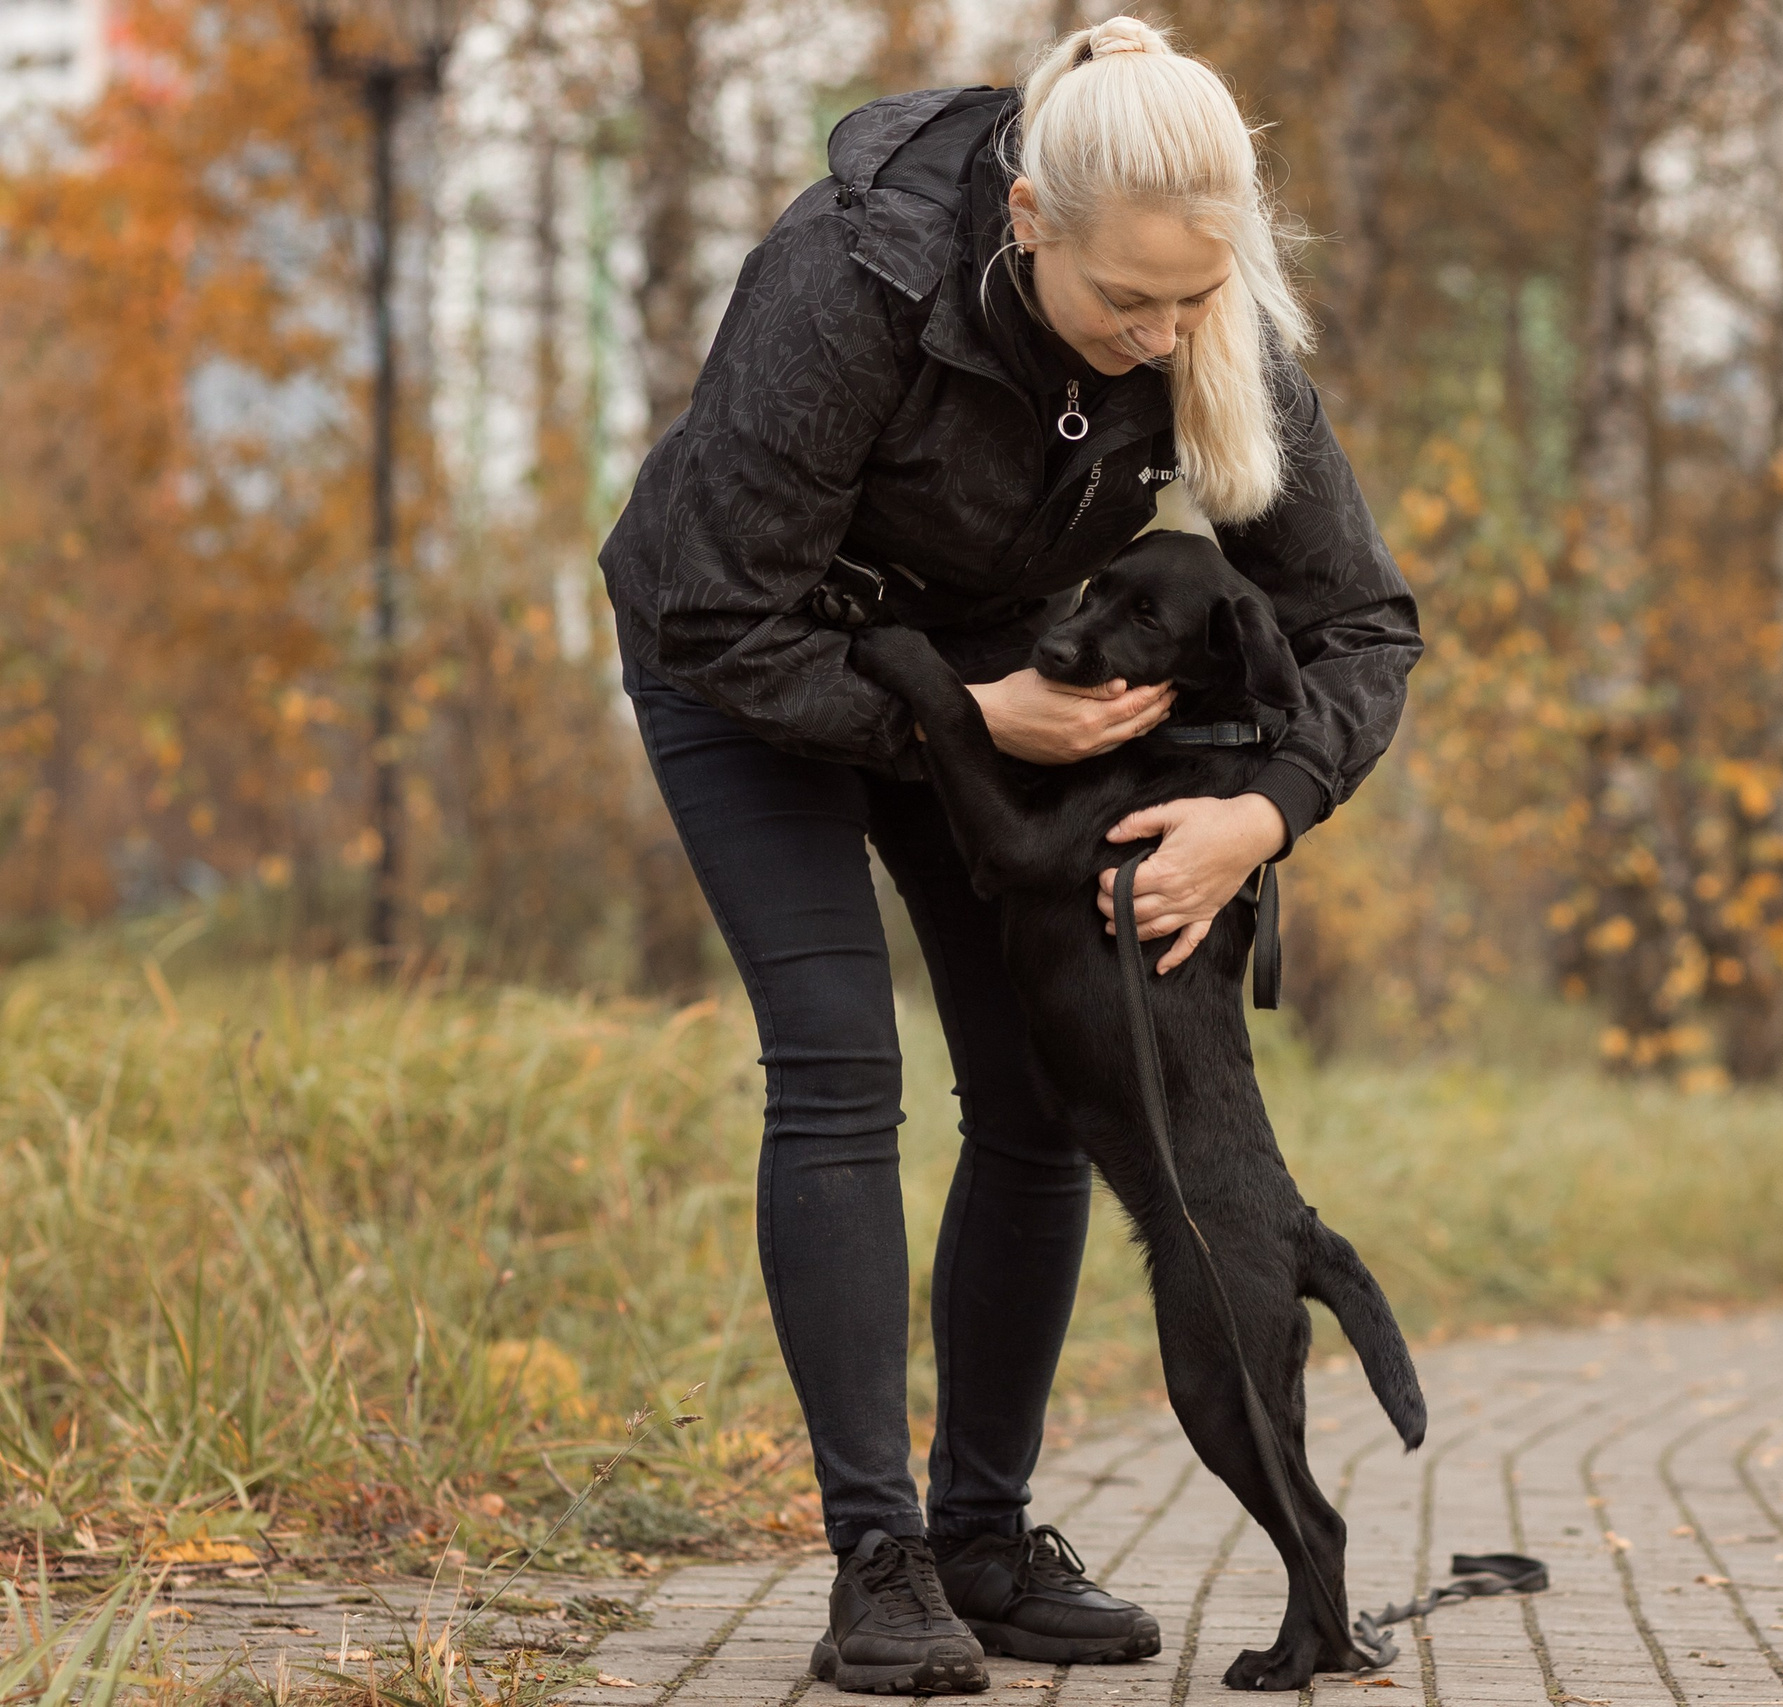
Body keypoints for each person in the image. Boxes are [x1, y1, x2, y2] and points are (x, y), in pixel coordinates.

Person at [597, 16, 1421, 1697]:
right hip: (753, 658)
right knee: (840, 1065)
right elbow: (716, 609)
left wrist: (1263, 811)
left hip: (1009, 681)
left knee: (1038, 1098)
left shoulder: (1203, 316)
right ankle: (880, 1561)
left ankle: (984, 1538)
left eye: (1193, 300)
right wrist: (965, 720)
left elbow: (1359, 623)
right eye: (1130, 302)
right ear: (1030, 216)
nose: (1162, 338)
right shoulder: (850, 283)